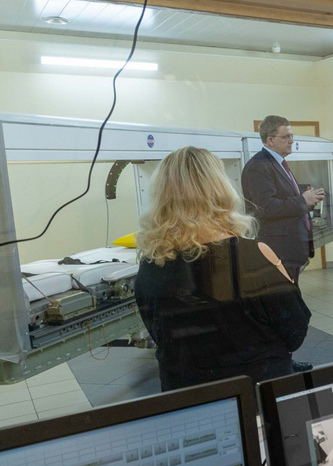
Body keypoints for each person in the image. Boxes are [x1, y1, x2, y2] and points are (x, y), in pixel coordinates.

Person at [135, 147, 311, 392]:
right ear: (221, 189)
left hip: (184, 394)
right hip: (255, 391)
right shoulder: (253, 254)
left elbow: (160, 335)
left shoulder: (152, 263)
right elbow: (295, 332)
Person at [242, 115, 322, 372]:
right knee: (280, 309)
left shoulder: (278, 164)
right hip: (277, 251)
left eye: (291, 136)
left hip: (290, 249)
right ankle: (280, 362)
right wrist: (303, 200)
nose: (291, 141)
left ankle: (284, 358)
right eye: (286, 137)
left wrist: (305, 196)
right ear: (269, 140)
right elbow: (266, 207)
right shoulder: (258, 167)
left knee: (287, 305)